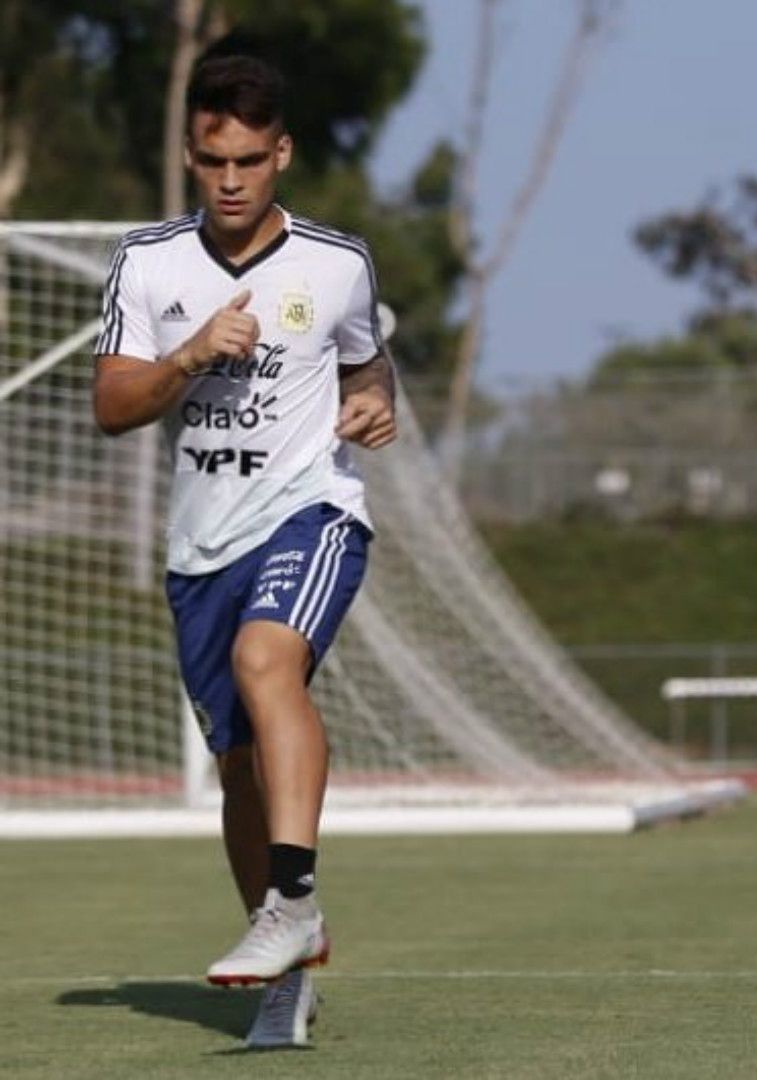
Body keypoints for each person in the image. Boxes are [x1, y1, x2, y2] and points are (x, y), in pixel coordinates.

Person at [92, 53, 397, 1049]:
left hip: (310, 511)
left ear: (284, 155)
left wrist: (377, 399)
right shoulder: (148, 265)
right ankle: (287, 963)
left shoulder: (336, 262)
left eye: (252, 161)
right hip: (199, 544)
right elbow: (111, 409)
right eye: (215, 160)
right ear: (190, 152)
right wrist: (190, 355)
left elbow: (367, 354)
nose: (233, 180)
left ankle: (294, 900)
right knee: (237, 771)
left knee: (269, 661)